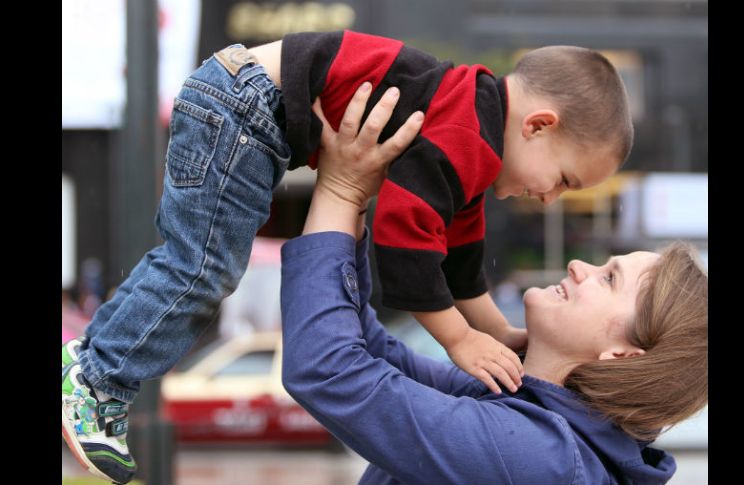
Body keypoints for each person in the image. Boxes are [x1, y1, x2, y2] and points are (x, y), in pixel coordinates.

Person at [62, 29, 632, 483]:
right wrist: (460, 340)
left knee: (200, 265)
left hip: (246, 102)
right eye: (562, 179)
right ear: (538, 125)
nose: (550, 197)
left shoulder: (473, 138)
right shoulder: (463, 137)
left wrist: (496, 332)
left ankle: (94, 368)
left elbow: (460, 258)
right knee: (203, 267)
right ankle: (96, 375)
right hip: (245, 105)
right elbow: (405, 244)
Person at [279, 87, 708, 484]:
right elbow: (372, 350)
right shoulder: (525, 405)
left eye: (609, 278)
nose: (579, 265)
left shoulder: (537, 456)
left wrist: (342, 189)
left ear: (622, 356)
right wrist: (356, 193)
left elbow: (329, 369)